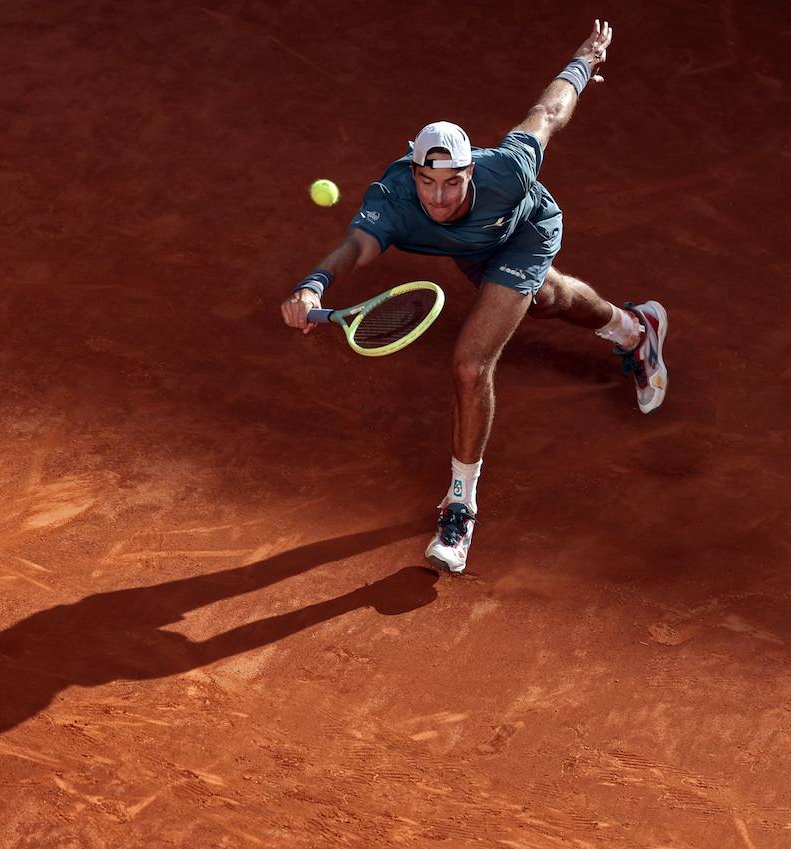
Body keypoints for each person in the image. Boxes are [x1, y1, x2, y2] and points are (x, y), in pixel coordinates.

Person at [281, 19, 668, 575]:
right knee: (545, 299)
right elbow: (357, 246)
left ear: (470, 171)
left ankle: (459, 506)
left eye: (453, 183)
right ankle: (634, 329)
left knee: (469, 364)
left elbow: (547, 115)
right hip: (472, 250)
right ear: (412, 170)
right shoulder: (391, 198)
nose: (439, 196)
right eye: (427, 182)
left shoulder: (508, 170)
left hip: (528, 230)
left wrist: (583, 62)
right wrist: (313, 285)